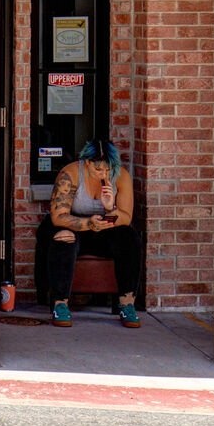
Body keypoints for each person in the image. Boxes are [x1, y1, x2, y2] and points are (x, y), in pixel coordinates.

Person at [44, 139, 140, 328]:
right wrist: (88, 223)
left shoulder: (121, 177)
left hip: (104, 228)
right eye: (98, 170)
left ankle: (127, 304)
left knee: (129, 238)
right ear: (87, 163)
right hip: (76, 225)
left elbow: (125, 218)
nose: (104, 174)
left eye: (108, 169)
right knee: (64, 237)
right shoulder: (70, 173)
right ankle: (60, 304)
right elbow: (58, 216)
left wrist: (110, 207)